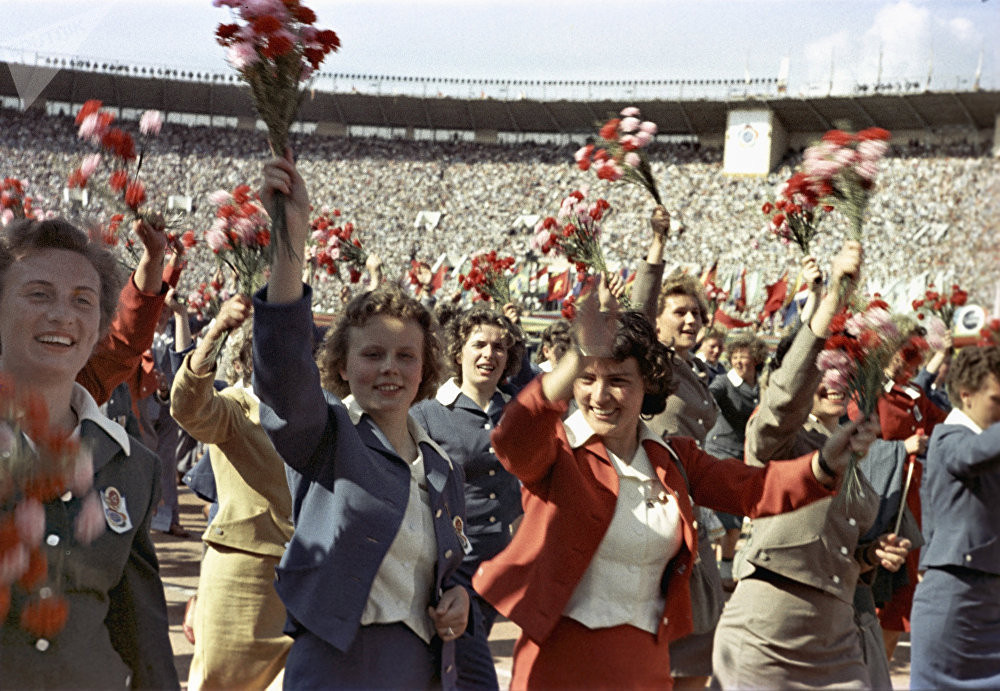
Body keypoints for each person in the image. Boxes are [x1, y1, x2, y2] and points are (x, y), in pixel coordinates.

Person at [472, 278, 879, 690]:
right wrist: (578, 356)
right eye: (587, 379)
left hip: (645, 663)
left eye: (618, 380)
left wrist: (826, 463)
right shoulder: (556, 452)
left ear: (646, 382)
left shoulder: (672, 458)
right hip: (558, 665)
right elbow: (513, 436)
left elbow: (753, 489)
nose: (600, 395)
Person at [252, 151, 475, 689]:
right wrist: (290, 242)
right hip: (336, 663)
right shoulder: (328, 436)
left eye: (405, 356)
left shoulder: (443, 466)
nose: (389, 369)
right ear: (341, 365)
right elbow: (283, 369)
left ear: (426, 368)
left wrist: (461, 596)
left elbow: (455, 561)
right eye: (372, 355)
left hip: (422, 667)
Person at [714, 242, 912, 689]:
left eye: (846, 371)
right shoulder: (778, 437)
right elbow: (784, 397)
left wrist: (872, 555)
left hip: (839, 633)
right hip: (769, 625)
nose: (836, 381)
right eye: (826, 370)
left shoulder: (857, 450)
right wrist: (832, 302)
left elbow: (841, 547)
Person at [0, 218, 178, 688]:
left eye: (83, 301)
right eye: (38, 294)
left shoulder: (133, 467)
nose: (63, 315)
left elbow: (142, 638)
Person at [169, 294, 293, 690]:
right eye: (267, 350)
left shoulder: (318, 414)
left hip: (307, 575)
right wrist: (216, 331)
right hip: (244, 575)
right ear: (243, 363)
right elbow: (188, 406)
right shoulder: (236, 408)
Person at [412, 305, 527, 689]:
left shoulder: (518, 412)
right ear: (458, 350)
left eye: (499, 347)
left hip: (502, 565)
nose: (489, 354)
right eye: (479, 344)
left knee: (446, 670)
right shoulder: (427, 413)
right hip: (453, 566)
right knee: (475, 676)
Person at [632, 206, 720, 686]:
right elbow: (637, 311)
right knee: (663, 660)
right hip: (653, 507)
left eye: (696, 313)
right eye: (679, 311)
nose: (690, 320)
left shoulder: (693, 370)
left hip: (693, 509)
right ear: (660, 319)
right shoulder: (650, 365)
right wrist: (658, 247)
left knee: (695, 656)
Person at [910, 345, 1000, 688]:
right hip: (956, 603)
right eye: (997, 400)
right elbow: (973, 454)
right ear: (967, 396)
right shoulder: (948, 438)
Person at [702, 331, 767, 589]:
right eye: (736, 357)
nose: (740, 362)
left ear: (756, 359)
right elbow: (711, 393)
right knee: (725, 519)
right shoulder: (723, 382)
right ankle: (718, 572)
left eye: (745, 357)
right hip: (719, 453)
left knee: (736, 521)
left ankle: (725, 571)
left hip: (744, 456)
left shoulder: (762, 386)